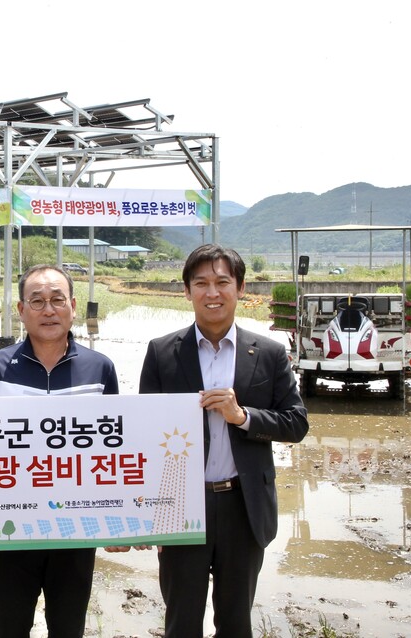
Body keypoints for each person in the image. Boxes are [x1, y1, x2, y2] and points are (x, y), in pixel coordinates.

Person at [139, 244, 309, 638]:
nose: (212, 293)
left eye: (222, 282)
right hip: (182, 505)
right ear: (187, 291)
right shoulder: (162, 352)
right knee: (181, 622)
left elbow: (296, 422)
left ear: (241, 288)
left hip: (243, 507)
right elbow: (146, 437)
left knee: (235, 622)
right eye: (201, 283)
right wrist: (154, 518)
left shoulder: (267, 352)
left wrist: (243, 416)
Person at [0, 263, 119, 638]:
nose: (48, 310)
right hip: (12, 526)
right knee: (9, 624)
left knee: (69, 626)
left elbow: (115, 448)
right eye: (37, 301)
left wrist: (118, 515)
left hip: (76, 529)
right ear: (21, 311)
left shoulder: (100, 368)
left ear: (73, 305)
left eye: (57, 300)